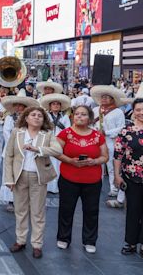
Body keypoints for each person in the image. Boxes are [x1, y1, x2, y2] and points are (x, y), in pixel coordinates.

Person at [4, 107, 62, 259]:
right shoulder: (17, 132)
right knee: (20, 210)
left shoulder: (47, 134)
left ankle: (37, 244)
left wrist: (38, 149)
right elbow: (9, 155)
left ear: (43, 120)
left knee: (37, 212)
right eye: (33, 115)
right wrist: (9, 179)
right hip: (20, 175)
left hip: (38, 177)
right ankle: (20, 240)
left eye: (40, 116)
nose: (36, 117)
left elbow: (57, 150)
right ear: (26, 118)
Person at [55, 105, 108, 254]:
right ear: (72, 116)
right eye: (77, 114)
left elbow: (105, 156)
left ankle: (90, 240)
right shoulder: (65, 134)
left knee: (91, 211)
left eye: (83, 114)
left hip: (92, 180)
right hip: (68, 178)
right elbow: (56, 153)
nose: (79, 116)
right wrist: (70, 161)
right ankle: (64, 238)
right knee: (66, 209)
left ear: (90, 118)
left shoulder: (98, 136)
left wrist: (94, 161)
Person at [0, 89, 40, 211]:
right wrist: (16, 142)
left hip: (27, 150)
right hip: (12, 149)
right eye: (18, 106)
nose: (20, 108)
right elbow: (6, 132)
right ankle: (11, 200)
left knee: (24, 175)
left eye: (23, 106)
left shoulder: (31, 119)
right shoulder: (10, 118)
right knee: (11, 174)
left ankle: (23, 200)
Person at [114, 92, 143, 255]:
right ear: (133, 111)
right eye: (138, 109)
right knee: (133, 210)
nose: (141, 112)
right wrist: (117, 175)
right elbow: (118, 154)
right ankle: (130, 242)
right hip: (131, 177)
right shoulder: (126, 130)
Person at [91, 85, 126, 199]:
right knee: (97, 164)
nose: (104, 99)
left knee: (111, 165)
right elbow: (90, 123)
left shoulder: (118, 112)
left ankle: (113, 188)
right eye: (103, 97)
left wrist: (107, 132)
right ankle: (96, 185)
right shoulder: (96, 110)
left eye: (107, 97)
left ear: (112, 99)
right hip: (96, 141)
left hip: (110, 141)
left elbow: (121, 128)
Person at [40, 93, 72, 194]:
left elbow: (68, 130)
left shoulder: (65, 118)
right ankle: (48, 186)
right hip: (48, 143)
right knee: (48, 164)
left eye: (58, 104)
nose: (56, 106)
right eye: (53, 104)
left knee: (58, 164)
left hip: (60, 144)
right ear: (50, 106)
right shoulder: (46, 116)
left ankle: (56, 187)